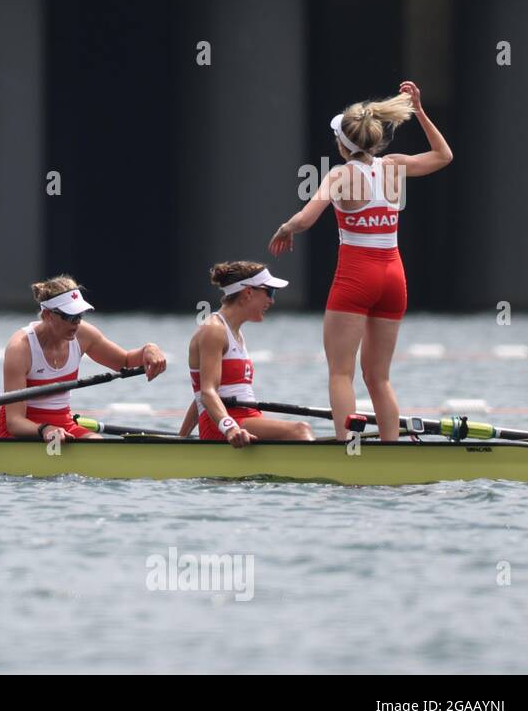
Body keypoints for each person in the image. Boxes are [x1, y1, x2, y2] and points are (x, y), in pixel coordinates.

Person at [269, 81, 452, 440]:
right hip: (394, 277)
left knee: (341, 373)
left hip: (357, 277)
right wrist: (420, 111)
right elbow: (444, 156)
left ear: (342, 144)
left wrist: (285, 228)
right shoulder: (395, 166)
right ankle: (390, 448)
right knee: (379, 377)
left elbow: (306, 219)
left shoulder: (340, 174)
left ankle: (348, 448)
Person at [0, 275, 165, 442]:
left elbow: (125, 361)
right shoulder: (20, 348)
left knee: (99, 444)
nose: (76, 323)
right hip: (23, 432)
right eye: (70, 316)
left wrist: (149, 349)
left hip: (64, 425)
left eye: (80, 315)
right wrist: (45, 429)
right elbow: (14, 422)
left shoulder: (83, 335)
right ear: (48, 315)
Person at [179, 262, 314, 446]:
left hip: (245, 421)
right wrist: (230, 428)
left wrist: (180, 440)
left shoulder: (236, 333)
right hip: (224, 425)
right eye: (270, 292)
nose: (272, 301)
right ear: (248, 293)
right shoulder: (213, 330)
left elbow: (201, 397)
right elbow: (207, 392)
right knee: (300, 430)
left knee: (297, 430)